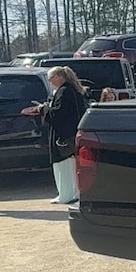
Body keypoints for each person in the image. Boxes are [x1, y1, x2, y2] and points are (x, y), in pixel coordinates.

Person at [20, 65, 86, 204]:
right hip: (69, 133)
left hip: (64, 135)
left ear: (58, 77)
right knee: (68, 166)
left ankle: (67, 195)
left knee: (64, 165)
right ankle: (69, 193)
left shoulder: (65, 91)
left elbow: (58, 113)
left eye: (50, 79)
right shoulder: (68, 90)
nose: (50, 82)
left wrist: (43, 108)